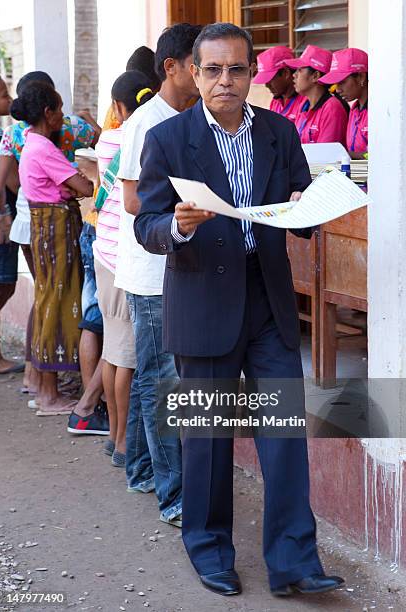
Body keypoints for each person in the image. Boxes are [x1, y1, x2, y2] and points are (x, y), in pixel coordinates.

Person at [134, 23, 344, 597]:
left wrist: (309, 206)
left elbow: (306, 202)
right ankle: (208, 550)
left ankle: (294, 562)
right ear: (194, 74)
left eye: (237, 70)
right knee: (207, 439)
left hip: (268, 300)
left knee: (283, 438)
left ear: (252, 74)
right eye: (213, 70)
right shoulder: (169, 139)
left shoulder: (278, 132)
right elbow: (145, 223)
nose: (225, 80)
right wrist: (173, 225)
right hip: (202, 300)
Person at [115, 22, 201, 525]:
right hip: (151, 271)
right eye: (199, 63)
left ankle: (142, 470)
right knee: (160, 379)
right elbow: (131, 200)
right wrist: (185, 208)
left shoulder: (189, 115)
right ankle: (173, 495)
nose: (208, 73)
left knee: (157, 375)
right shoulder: (148, 122)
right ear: (172, 67)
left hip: (172, 264)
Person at [69, 71, 154, 466]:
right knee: (125, 356)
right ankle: (121, 442)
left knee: (117, 352)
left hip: (105, 252)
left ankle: (117, 438)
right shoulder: (146, 136)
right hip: (125, 258)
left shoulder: (108, 138)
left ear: (118, 108)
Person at [0, 70, 101, 397]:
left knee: (47, 299)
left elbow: (7, 180)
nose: (63, 115)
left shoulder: (22, 139)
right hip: (53, 226)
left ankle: (39, 383)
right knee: (56, 301)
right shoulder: (45, 145)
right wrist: (75, 188)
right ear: (47, 112)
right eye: (58, 109)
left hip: (36, 222)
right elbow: (85, 186)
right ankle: (48, 392)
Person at [0, 74, 21, 375]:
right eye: (4, 94)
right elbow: (10, 182)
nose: (9, 99)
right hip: (2, 220)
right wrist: (3, 214)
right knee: (3, 284)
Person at [284, 45, 348, 145]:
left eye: (300, 70)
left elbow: (326, 154)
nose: (294, 75)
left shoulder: (332, 108)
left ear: (315, 76)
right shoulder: (304, 105)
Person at [318, 48, 368, 158]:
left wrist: (346, 156)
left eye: (341, 82)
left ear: (361, 77)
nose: (337, 89)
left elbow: (384, 155)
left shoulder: (380, 110)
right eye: (336, 83)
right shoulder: (354, 109)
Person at [252, 46, 305, 124]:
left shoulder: (305, 103)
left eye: (270, 79)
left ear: (286, 73)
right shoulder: (275, 102)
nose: (267, 85)